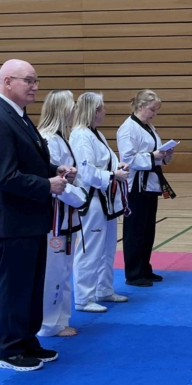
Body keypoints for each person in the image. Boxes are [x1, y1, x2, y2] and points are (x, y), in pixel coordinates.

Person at [0, 59, 76, 372]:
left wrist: (54, 170)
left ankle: (28, 340)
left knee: (31, 286)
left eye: (36, 80)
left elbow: (28, 162)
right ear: (7, 81)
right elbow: (3, 176)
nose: (35, 87)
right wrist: (46, 185)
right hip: (11, 221)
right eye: (28, 80)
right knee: (16, 286)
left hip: (29, 218)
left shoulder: (17, 116)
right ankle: (9, 350)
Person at [70, 92, 131, 312]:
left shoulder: (96, 134)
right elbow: (86, 172)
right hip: (91, 198)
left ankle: (104, 289)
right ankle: (83, 298)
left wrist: (118, 167)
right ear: (93, 111)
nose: (105, 110)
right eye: (102, 107)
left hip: (107, 198)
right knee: (90, 249)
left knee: (107, 248)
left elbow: (107, 161)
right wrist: (113, 175)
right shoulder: (80, 135)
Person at [37, 90, 88, 337]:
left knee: (65, 270)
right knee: (54, 272)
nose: (75, 111)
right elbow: (54, 182)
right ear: (62, 109)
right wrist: (79, 196)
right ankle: (48, 324)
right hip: (55, 217)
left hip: (67, 215)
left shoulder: (61, 137)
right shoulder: (47, 139)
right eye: (72, 106)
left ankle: (61, 319)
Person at [117, 90, 176, 287]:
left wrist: (166, 155)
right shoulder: (128, 129)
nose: (154, 114)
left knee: (147, 230)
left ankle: (144, 269)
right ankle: (133, 274)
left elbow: (155, 154)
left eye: (156, 111)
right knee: (135, 230)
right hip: (135, 186)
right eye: (152, 110)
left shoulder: (149, 127)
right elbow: (128, 159)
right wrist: (154, 156)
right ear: (140, 106)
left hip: (150, 184)